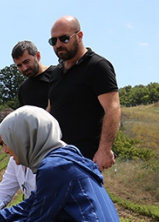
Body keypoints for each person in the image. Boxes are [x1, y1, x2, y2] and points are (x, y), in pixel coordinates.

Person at [47, 15, 121, 171]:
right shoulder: (55, 73)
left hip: (84, 160)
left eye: (64, 39)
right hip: (55, 157)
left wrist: (105, 149)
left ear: (79, 36)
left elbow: (112, 108)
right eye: (53, 41)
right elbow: (50, 110)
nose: (58, 44)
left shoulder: (97, 66)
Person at [11, 40, 56, 108]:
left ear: (38, 56)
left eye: (26, 62)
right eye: (19, 65)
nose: (24, 68)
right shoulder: (23, 90)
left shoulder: (57, 74)